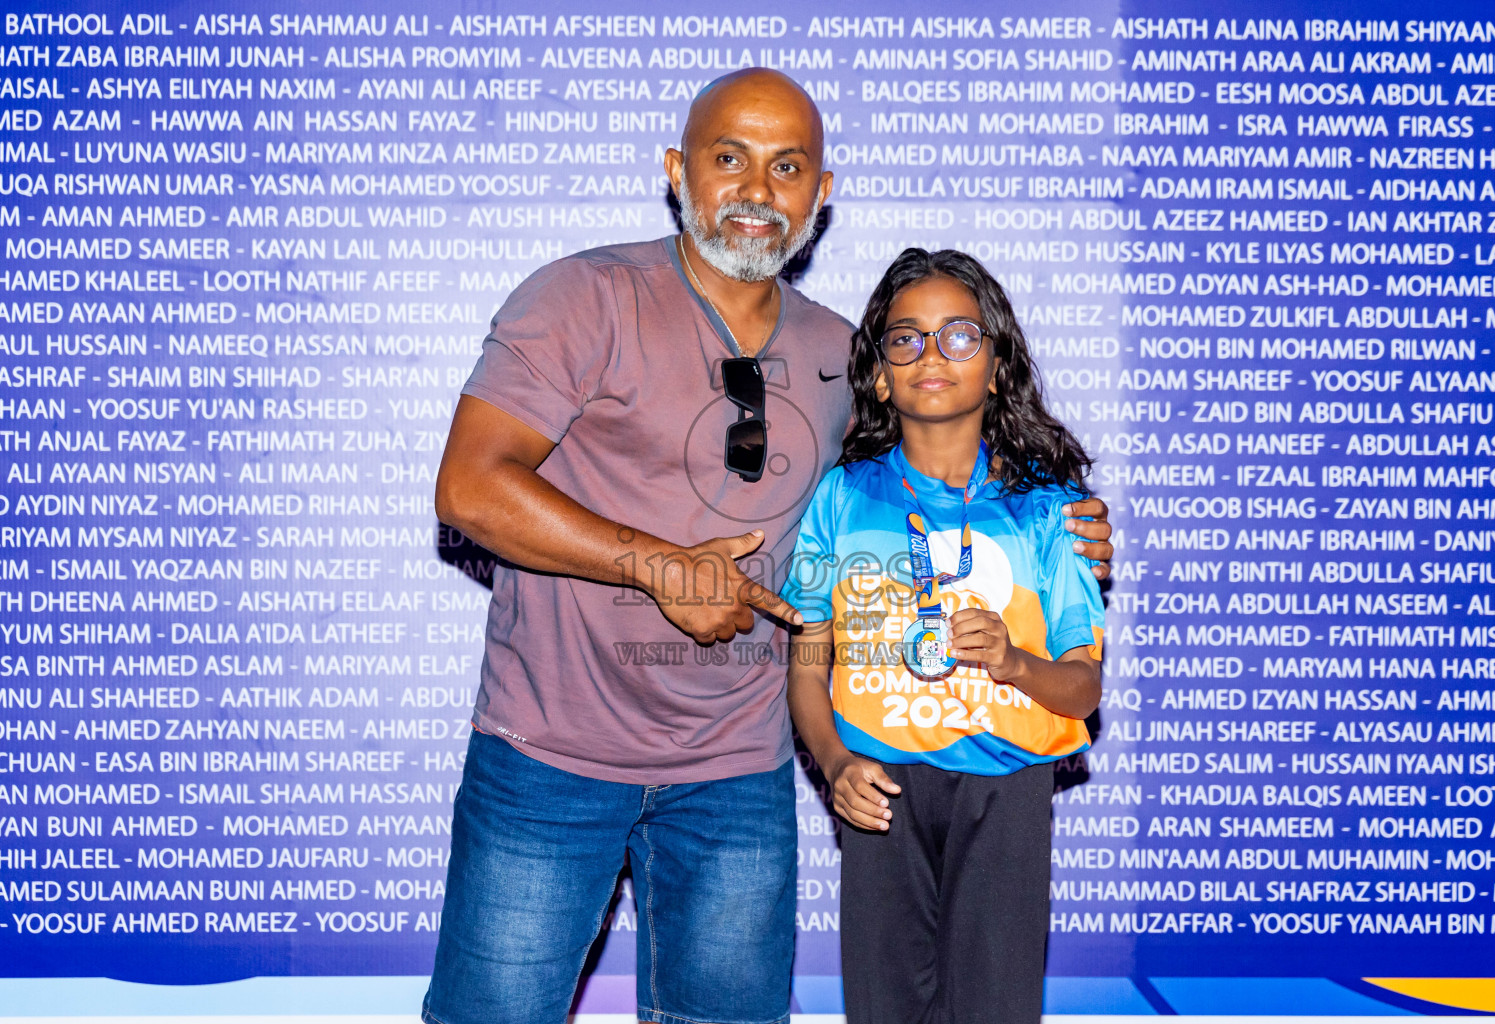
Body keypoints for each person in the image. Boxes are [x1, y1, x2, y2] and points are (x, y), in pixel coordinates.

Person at [424, 68, 1115, 1024]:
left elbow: (927, 477)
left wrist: (1061, 524)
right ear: (678, 172)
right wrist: (655, 562)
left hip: (737, 775)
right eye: (729, 159)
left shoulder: (848, 355)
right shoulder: (582, 297)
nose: (757, 190)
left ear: (820, 195)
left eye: (787, 167)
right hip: (552, 756)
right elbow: (468, 487)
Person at [782, 248, 1104, 1024]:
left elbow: (1084, 688)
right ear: (880, 374)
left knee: (995, 1004)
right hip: (880, 788)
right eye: (906, 339)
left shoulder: (1050, 511)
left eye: (959, 336)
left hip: (1005, 786)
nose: (932, 355)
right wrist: (834, 763)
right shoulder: (841, 497)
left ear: (996, 366)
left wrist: (1014, 659)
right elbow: (806, 666)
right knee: (885, 1006)